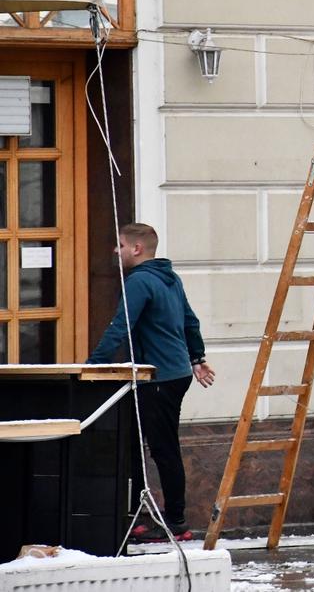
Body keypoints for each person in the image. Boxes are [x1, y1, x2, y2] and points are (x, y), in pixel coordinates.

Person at [88, 223, 215, 541]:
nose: (115, 251)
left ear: (137, 249)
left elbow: (121, 326)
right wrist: (197, 358)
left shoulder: (139, 281)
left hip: (158, 377)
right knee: (138, 443)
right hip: (174, 374)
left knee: (163, 448)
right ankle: (140, 514)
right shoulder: (170, 278)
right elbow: (190, 321)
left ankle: (175, 522)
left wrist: (91, 368)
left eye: (120, 245)